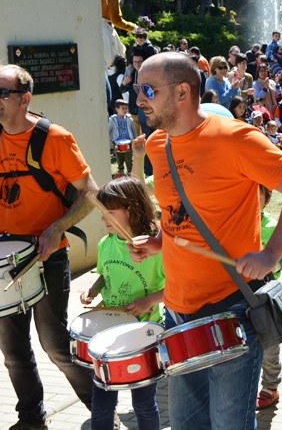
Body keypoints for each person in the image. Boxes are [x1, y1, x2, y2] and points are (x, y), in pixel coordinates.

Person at [126, 52, 282, 430]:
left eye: (149, 90)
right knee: (186, 426)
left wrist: (271, 253)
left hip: (230, 310)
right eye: (138, 89)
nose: (139, 100)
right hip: (177, 315)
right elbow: (174, 208)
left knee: (228, 425)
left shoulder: (236, 139)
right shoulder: (156, 145)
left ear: (183, 92)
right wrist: (161, 242)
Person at [0, 64, 96, 430]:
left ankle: (102, 408)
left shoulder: (56, 139)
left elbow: (90, 195)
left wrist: (55, 230)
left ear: (25, 98)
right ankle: (32, 419)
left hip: (45, 255)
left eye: (1, 93)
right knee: (14, 352)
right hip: (2, 258)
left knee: (55, 346)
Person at [80, 177, 165, 430]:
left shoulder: (155, 248)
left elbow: (177, 287)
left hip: (144, 334)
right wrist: (93, 290)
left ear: (130, 209)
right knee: (102, 402)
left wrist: (150, 299)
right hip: (109, 335)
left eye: (109, 213)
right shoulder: (106, 244)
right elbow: (106, 274)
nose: (103, 219)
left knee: (144, 404)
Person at [256, 185, 282, 410]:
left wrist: (273, 263)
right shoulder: (231, 224)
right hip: (236, 294)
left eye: (257, 196)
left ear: (267, 199)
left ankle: (270, 387)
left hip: (265, 295)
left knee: (270, 346)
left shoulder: (272, 226)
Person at [86, 0, 139, 92]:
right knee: (108, 74)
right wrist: (134, 28)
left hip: (88, 31)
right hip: (105, 33)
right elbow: (116, 20)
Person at [108, 99, 137, 176]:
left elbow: (134, 131)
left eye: (126, 108)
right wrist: (111, 144)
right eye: (123, 108)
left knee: (129, 161)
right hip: (117, 144)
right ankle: (121, 174)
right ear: (117, 109)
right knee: (119, 161)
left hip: (128, 144)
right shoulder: (112, 120)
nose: (125, 110)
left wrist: (135, 141)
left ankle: (130, 174)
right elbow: (108, 131)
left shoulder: (129, 119)